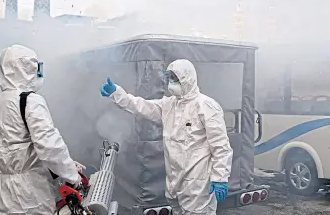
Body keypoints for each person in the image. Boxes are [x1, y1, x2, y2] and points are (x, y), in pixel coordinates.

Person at [100, 59, 233, 215]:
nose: (171, 82)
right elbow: (141, 106)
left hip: (198, 184)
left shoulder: (206, 106)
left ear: (187, 79)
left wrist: (220, 177)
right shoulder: (168, 105)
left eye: (175, 78)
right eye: (169, 78)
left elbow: (220, 146)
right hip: (174, 182)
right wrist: (116, 92)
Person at [0, 45, 85, 215]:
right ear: (28, 69)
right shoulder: (30, 101)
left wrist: (64, 165)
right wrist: (72, 176)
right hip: (25, 195)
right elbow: (49, 146)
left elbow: (14, 151)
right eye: (38, 68)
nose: (39, 73)